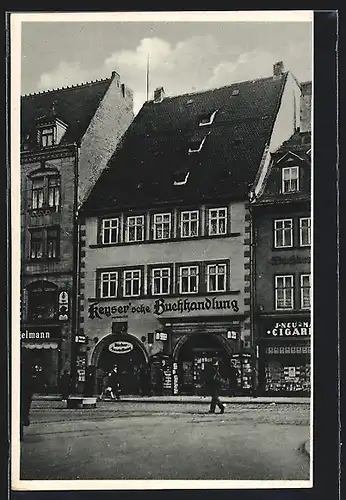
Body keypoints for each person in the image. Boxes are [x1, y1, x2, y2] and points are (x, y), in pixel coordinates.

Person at [20, 351, 35, 441]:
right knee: (25, 405)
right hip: (25, 392)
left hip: (22, 391)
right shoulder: (27, 370)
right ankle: (25, 417)